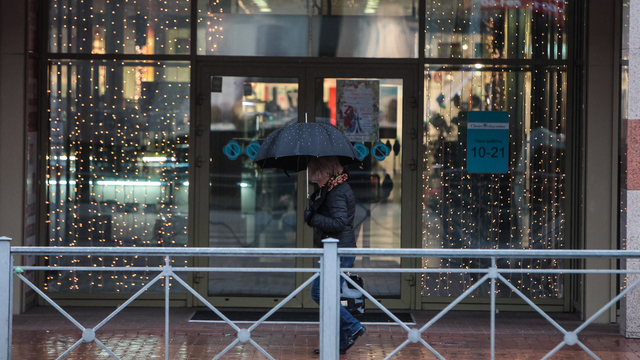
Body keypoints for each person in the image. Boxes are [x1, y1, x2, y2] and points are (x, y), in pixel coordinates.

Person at [304, 156, 366, 355]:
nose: (316, 181)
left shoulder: (337, 191)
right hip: (339, 249)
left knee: (319, 293)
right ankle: (341, 340)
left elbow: (339, 223)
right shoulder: (335, 188)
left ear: (326, 173)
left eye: (317, 177)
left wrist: (314, 218)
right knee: (327, 294)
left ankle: (352, 326)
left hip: (339, 250)